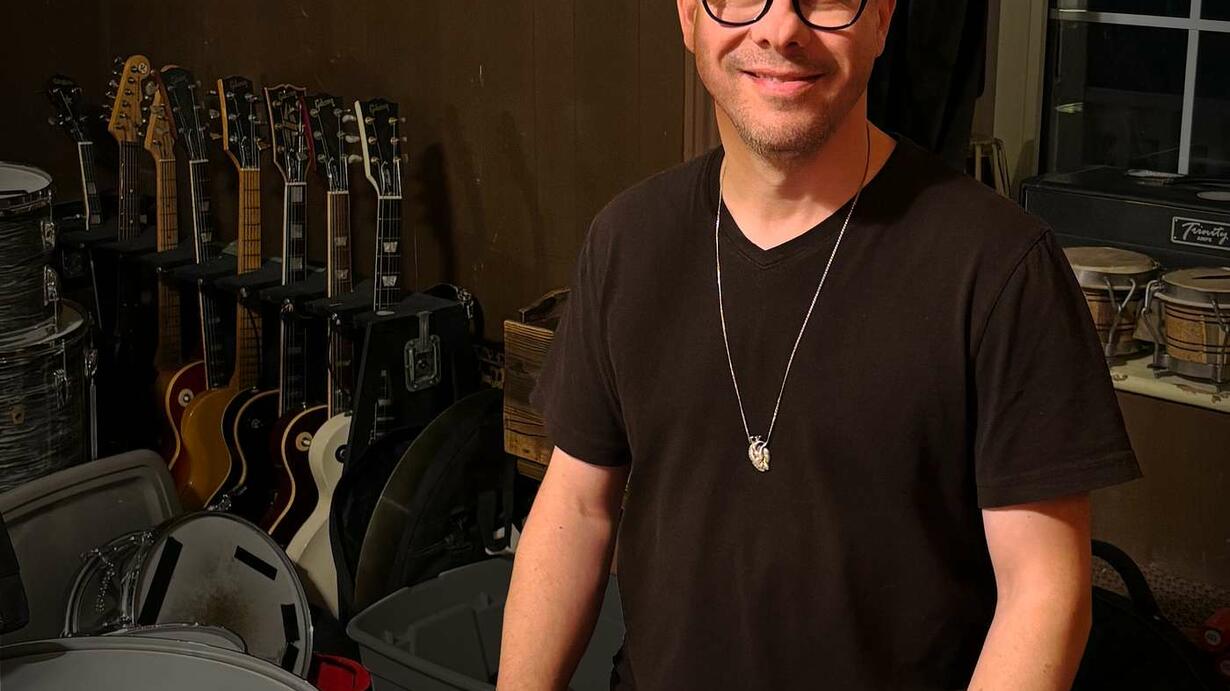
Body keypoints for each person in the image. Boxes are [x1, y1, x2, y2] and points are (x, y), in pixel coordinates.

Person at [498, 0, 1141, 689]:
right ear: (688, 16)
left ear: (883, 19)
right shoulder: (627, 239)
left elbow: (1042, 590)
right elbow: (576, 509)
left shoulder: (1000, 265)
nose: (780, 29)